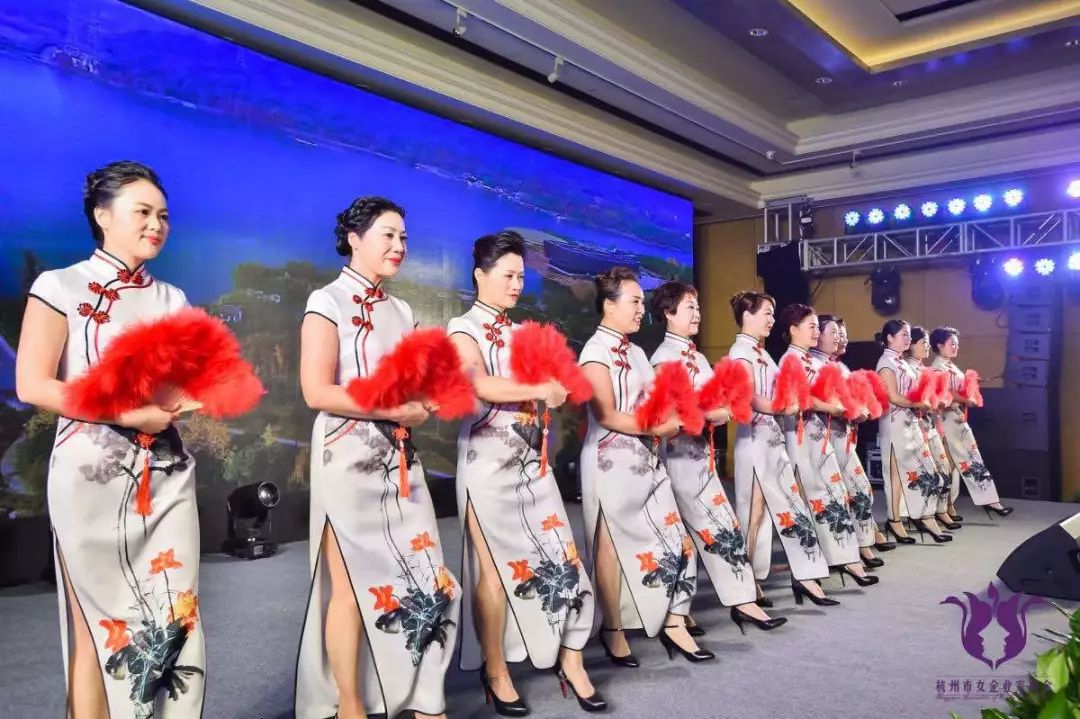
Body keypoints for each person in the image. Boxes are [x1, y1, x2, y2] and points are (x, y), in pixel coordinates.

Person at [15, 161, 205, 717]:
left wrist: (199, 391)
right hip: (89, 478)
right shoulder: (60, 286)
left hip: (166, 478)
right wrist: (129, 412)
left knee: (174, 615)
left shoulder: (172, 299)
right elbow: (33, 384)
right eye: (142, 212)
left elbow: (189, 381)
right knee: (96, 627)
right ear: (102, 215)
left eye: (163, 215)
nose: (156, 225)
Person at [295, 197, 458, 719]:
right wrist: (394, 406)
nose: (399, 246)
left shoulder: (402, 311)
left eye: (403, 237)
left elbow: (410, 388)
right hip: (346, 460)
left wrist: (426, 401)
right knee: (347, 590)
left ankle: (424, 699)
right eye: (388, 235)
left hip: (401, 460)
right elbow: (317, 391)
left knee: (426, 576)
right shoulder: (326, 301)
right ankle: (351, 705)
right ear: (353, 238)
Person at [448, 231, 603, 715]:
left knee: (565, 558)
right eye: (508, 275)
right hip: (485, 466)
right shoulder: (461, 329)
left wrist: (560, 387)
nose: (517, 285)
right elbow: (478, 383)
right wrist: (540, 388)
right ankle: (495, 669)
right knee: (493, 573)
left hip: (534, 467)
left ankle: (572, 658)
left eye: (521, 276)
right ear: (480, 275)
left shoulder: (523, 333)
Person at [579, 267, 714, 670]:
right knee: (608, 547)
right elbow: (606, 415)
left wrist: (686, 413)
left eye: (642, 301)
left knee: (677, 539)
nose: (642, 309)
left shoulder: (638, 353)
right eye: (635, 301)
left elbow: (657, 402)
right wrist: (657, 426)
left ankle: (674, 619)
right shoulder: (594, 352)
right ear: (609, 305)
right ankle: (613, 629)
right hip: (608, 461)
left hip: (648, 460)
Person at [649, 281, 787, 634]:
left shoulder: (696, 357)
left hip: (702, 457)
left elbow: (720, 401)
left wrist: (717, 409)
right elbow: (676, 412)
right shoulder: (663, 358)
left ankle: (737, 602)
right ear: (668, 313)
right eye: (689, 308)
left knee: (718, 527)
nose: (698, 314)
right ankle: (684, 612)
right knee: (692, 534)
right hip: (678, 458)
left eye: (698, 307)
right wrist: (714, 412)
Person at [726, 291, 835, 608]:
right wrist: (781, 406)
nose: (772, 320)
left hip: (772, 439)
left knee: (790, 507)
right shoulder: (740, 352)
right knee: (754, 514)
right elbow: (748, 398)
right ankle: (749, 584)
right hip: (753, 441)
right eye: (767, 313)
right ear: (747, 316)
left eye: (773, 314)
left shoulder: (761, 353)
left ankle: (804, 576)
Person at [779, 305, 879, 588]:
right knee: (814, 501)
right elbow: (799, 398)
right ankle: (814, 569)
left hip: (819, 435)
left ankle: (846, 557)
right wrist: (831, 407)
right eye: (812, 327)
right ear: (793, 330)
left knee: (834, 496)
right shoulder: (790, 360)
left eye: (816, 326)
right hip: (803, 439)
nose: (815, 332)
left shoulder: (808, 360)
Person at [811, 315, 891, 568]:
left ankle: (863, 543)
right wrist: (845, 409)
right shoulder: (812, 364)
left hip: (844, 436)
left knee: (861, 489)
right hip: (824, 438)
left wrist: (861, 409)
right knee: (834, 496)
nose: (839, 338)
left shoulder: (839, 366)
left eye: (841, 334)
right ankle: (845, 550)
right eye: (834, 333)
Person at [875, 320, 953, 544]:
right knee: (895, 477)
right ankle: (895, 520)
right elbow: (893, 396)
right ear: (890, 338)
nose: (908, 339)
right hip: (894, 424)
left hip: (911, 423)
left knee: (927, 472)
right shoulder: (886, 363)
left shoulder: (903, 362)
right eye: (903, 335)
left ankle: (925, 516)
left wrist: (926, 402)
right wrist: (919, 403)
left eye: (909, 335)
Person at [929, 326, 1013, 518]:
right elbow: (947, 393)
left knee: (959, 462)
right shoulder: (937, 368)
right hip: (946, 419)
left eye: (956, 344)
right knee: (959, 462)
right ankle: (951, 507)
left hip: (956, 417)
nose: (956, 347)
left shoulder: (949, 365)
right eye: (952, 343)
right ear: (940, 345)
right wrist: (967, 399)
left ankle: (948, 507)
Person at [905, 327, 959, 530]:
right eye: (923, 343)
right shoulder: (907, 368)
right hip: (915, 425)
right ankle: (923, 514)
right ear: (911, 345)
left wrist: (939, 401)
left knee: (944, 467)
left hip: (930, 423)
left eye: (928, 342)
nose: (927, 346)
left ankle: (940, 510)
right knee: (924, 471)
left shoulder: (924, 369)